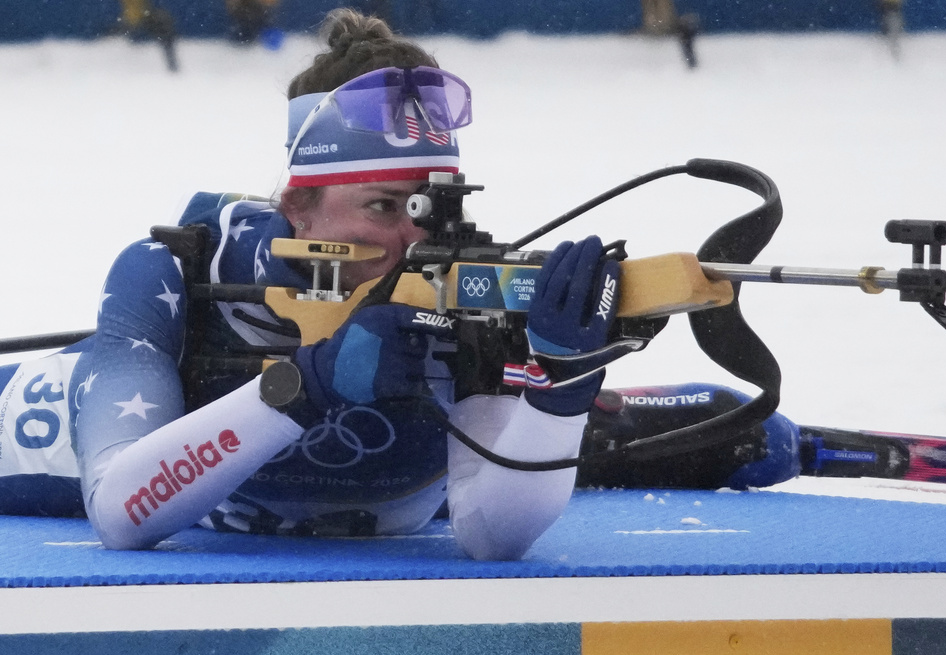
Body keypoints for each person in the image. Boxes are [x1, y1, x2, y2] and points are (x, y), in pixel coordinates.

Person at [0, 9, 801, 560]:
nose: (411, 241)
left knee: (753, 437)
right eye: (383, 206)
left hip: (399, 504)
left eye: (432, 210)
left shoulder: (459, 291)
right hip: (67, 436)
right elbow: (117, 507)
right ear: (298, 205)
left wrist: (562, 384)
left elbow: (492, 535)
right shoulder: (176, 272)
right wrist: (304, 386)